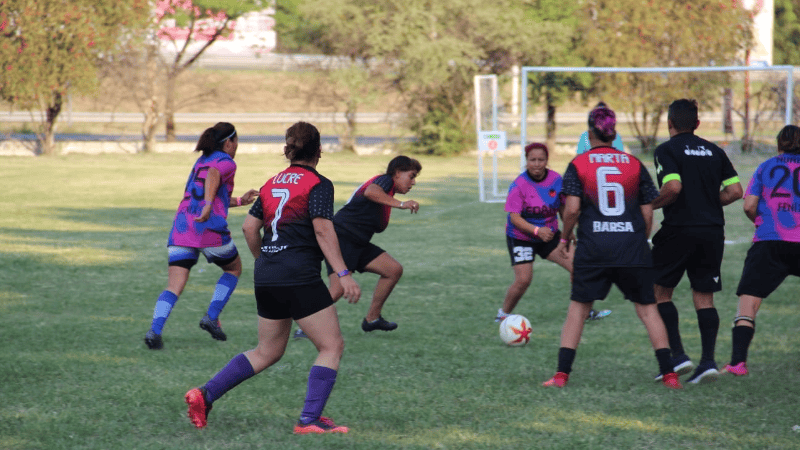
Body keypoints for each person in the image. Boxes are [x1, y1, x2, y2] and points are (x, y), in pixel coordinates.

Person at [184, 121, 361, 434]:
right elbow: (322, 228)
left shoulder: (270, 184)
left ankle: (205, 394)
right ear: (319, 150)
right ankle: (309, 420)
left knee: (267, 351)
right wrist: (344, 273)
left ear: (288, 150)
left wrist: (264, 261)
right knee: (331, 346)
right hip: (299, 273)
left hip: (267, 273)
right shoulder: (318, 184)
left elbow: (249, 229)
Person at [542, 106, 682, 390]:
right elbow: (647, 213)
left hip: (594, 246)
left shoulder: (579, 164)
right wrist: (639, 240)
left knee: (578, 309)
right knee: (648, 309)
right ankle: (669, 375)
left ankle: (560, 376)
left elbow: (571, 210)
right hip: (631, 246)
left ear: (589, 132)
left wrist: (565, 239)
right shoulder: (633, 164)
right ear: (614, 132)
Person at [650, 99, 743, 384]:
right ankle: (707, 362)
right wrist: (707, 202)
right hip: (712, 231)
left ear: (669, 123)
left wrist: (649, 205)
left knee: (658, 294)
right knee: (704, 297)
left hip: (679, 229)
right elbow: (736, 191)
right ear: (698, 124)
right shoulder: (715, 150)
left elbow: (673, 187)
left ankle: (677, 356)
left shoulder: (666, 149)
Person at [144, 122, 258, 350]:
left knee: (174, 285)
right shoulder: (225, 162)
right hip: (209, 229)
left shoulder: (201, 160)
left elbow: (212, 193)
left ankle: (155, 331)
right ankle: (211, 316)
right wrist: (207, 207)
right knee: (233, 268)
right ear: (228, 143)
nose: (237, 148)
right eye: (236, 143)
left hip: (182, 228)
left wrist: (239, 201)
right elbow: (214, 177)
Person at [295, 155, 421, 338]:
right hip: (342, 238)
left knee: (393, 270)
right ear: (397, 173)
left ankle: (372, 319)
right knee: (337, 289)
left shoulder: (388, 191)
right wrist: (402, 204)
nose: (413, 182)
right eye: (411, 176)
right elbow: (371, 192)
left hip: (358, 243)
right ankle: (304, 327)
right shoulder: (385, 180)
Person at [724, 125, 800, 377]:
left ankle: (737, 363)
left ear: (778, 145)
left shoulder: (765, 167)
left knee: (748, 302)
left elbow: (749, 206)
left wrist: (762, 222)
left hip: (769, 240)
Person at [494, 143, 574, 323]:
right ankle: (503, 315)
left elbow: (562, 205)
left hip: (550, 235)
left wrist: (568, 231)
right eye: (533, 160)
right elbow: (514, 218)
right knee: (524, 280)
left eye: (541, 160)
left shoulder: (555, 179)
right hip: (522, 237)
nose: (537, 164)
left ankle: (584, 311)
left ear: (547, 160)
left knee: (578, 267)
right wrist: (537, 230)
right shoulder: (519, 185)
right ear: (526, 161)